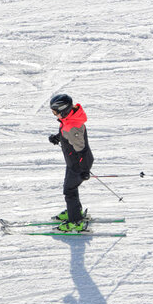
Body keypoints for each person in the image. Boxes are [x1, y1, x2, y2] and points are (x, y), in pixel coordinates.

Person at [48, 94, 94, 232]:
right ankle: (74, 211)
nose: (54, 114)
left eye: (55, 112)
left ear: (64, 110)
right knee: (70, 188)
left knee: (69, 190)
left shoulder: (72, 126)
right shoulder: (70, 120)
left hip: (78, 165)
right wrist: (58, 138)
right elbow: (66, 133)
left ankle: (76, 222)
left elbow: (82, 150)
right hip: (73, 163)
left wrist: (85, 170)